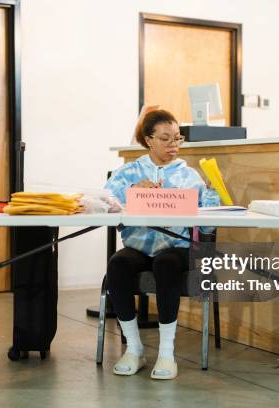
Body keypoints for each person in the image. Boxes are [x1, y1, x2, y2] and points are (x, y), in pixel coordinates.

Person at [104, 107, 220, 380]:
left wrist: (213, 197)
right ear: (148, 140)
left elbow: (207, 227)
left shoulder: (190, 176)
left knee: (166, 264)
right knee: (118, 264)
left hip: (177, 247)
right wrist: (131, 193)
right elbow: (106, 205)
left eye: (178, 138)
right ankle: (134, 349)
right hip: (139, 246)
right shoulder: (128, 172)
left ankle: (167, 353)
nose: (173, 145)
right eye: (166, 138)